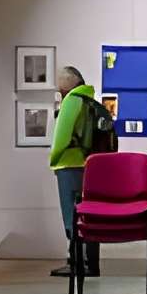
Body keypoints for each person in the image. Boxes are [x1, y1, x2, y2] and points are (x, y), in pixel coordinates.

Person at [47, 65, 105, 278]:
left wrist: (54, 161)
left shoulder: (71, 102)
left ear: (66, 86)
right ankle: (91, 263)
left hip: (69, 165)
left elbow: (61, 139)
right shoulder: (89, 100)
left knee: (72, 216)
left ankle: (76, 263)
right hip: (90, 166)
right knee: (89, 214)